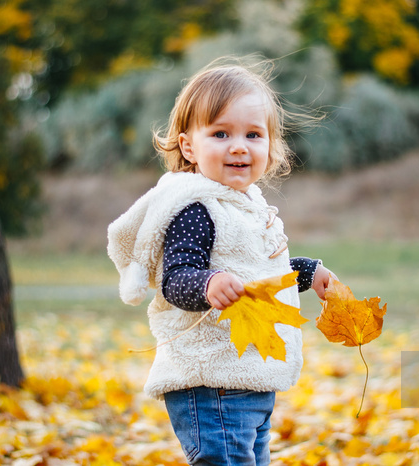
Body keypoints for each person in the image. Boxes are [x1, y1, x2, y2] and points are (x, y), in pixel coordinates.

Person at [107, 57, 333, 465]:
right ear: (188, 146)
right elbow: (175, 277)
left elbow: (261, 274)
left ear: (271, 145)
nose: (239, 146)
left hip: (250, 378)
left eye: (253, 134)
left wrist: (307, 272)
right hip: (211, 382)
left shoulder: (248, 207)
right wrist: (207, 284)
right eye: (221, 133)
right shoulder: (195, 208)